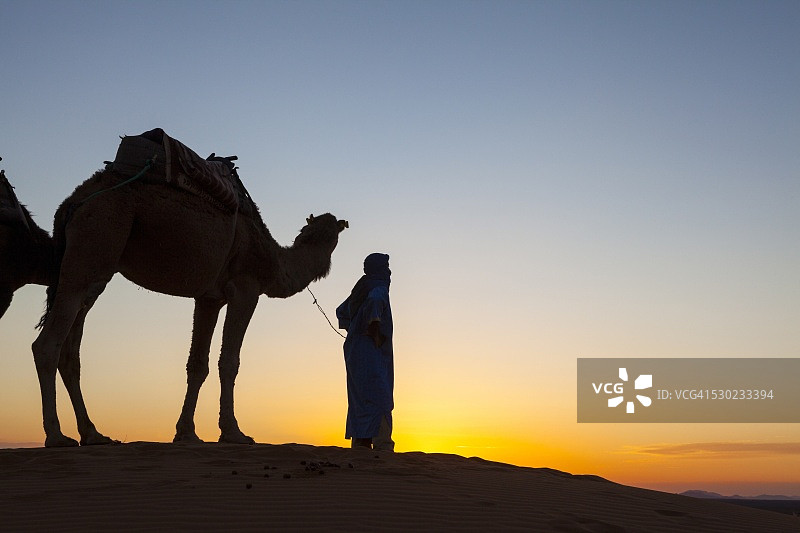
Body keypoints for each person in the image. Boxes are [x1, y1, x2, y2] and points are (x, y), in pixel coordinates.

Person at [336, 253, 394, 451]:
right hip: (371, 350)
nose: (389, 271)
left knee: (360, 397)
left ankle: (361, 443)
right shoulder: (378, 287)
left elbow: (341, 312)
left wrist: (354, 328)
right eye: (386, 267)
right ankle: (382, 446)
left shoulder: (360, 288)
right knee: (380, 395)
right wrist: (373, 328)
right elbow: (375, 303)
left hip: (355, 349)